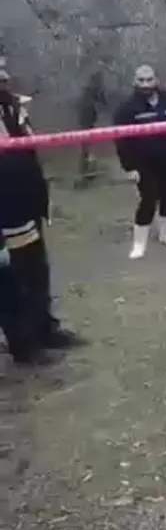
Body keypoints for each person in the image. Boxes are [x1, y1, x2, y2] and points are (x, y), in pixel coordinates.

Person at [0, 57, 85, 362]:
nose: (5, 76)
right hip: (5, 206)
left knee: (37, 268)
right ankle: (24, 345)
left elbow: (28, 147)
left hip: (25, 196)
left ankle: (45, 328)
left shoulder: (12, 105)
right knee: (14, 275)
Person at [113, 65, 166, 259]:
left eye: (149, 80)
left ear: (156, 79)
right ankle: (139, 243)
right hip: (144, 165)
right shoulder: (127, 109)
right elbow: (121, 140)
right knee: (148, 200)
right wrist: (129, 167)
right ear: (135, 81)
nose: (146, 84)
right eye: (141, 80)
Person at [75, 69, 111, 189]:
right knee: (85, 144)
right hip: (87, 117)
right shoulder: (95, 88)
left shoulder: (88, 88)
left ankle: (85, 168)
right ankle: (85, 171)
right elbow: (103, 100)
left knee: (85, 144)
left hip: (85, 117)